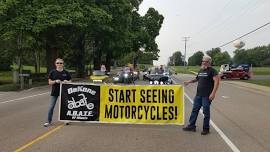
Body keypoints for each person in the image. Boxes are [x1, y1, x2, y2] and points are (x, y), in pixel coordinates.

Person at [182, 55, 220, 135]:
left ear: (209, 62)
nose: (203, 62)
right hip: (198, 95)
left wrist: (213, 93)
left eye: (204, 61)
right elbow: (197, 79)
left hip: (207, 96)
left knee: (206, 112)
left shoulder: (212, 71)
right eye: (202, 61)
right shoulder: (201, 70)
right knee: (194, 110)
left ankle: (206, 129)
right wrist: (188, 82)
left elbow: (217, 82)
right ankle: (191, 126)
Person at [44, 58, 71, 127]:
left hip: (64, 92)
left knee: (65, 106)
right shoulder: (52, 72)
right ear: (55, 64)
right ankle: (48, 121)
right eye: (58, 63)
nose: (59, 64)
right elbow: (49, 82)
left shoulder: (66, 72)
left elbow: (70, 82)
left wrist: (67, 82)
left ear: (63, 64)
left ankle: (66, 119)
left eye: (61, 63)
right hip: (55, 92)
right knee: (51, 107)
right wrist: (55, 81)